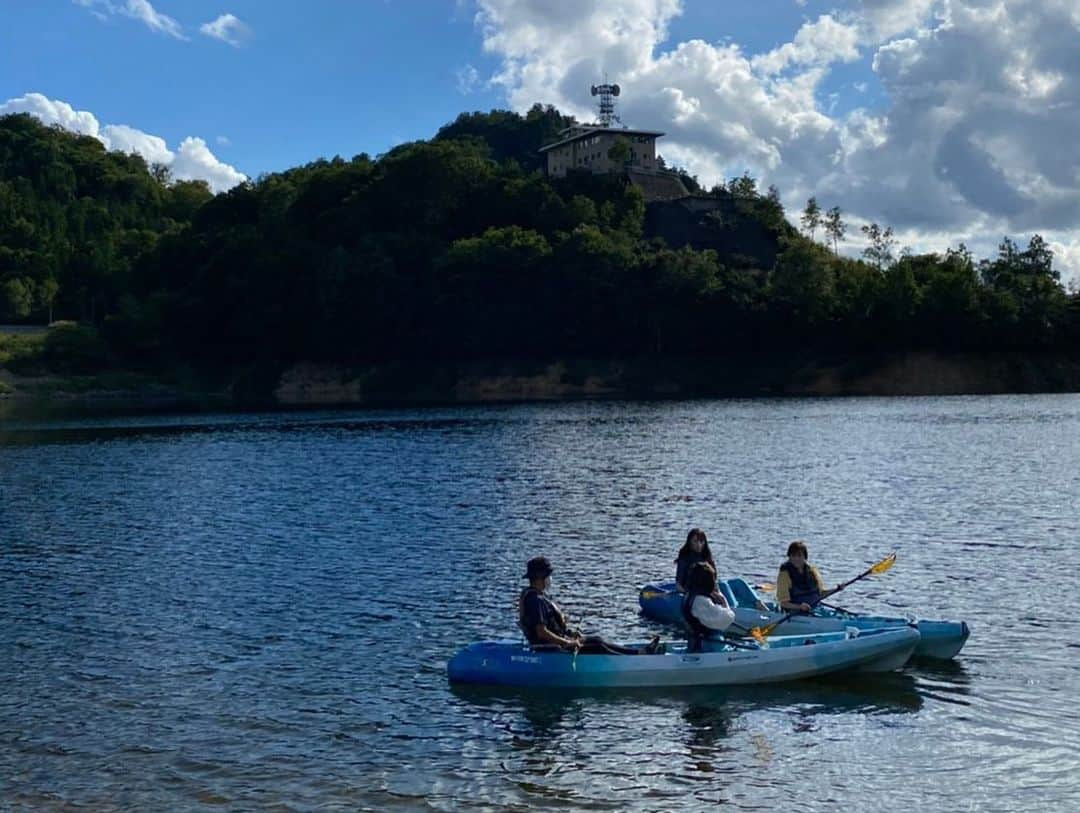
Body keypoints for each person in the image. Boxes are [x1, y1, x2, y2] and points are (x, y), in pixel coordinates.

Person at [519, 557, 662, 655]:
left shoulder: (538, 596)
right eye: (548, 576)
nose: (550, 579)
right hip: (551, 648)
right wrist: (567, 642)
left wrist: (570, 635)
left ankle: (639, 653)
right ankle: (635, 659)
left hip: (560, 642)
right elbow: (541, 632)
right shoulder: (534, 600)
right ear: (540, 577)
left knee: (597, 640)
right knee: (598, 647)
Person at [681, 561, 736, 652]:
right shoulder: (701, 601)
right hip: (710, 646)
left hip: (696, 643)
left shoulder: (689, 596)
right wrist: (723, 600)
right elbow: (726, 619)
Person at [775, 540, 837, 614]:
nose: (796, 559)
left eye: (799, 555)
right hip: (795, 612)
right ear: (789, 557)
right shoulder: (784, 574)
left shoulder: (812, 571)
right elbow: (783, 603)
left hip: (815, 609)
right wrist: (799, 607)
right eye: (793, 556)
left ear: (805, 557)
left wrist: (837, 589)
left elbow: (821, 594)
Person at [675, 528, 716, 593]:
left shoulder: (707, 556)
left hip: (707, 590)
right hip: (691, 591)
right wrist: (688, 594)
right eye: (695, 541)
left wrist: (717, 593)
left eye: (701, 541)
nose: (699, 545)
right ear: (689, 542)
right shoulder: (684, 558)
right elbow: (678, 585)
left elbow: (714, 579)